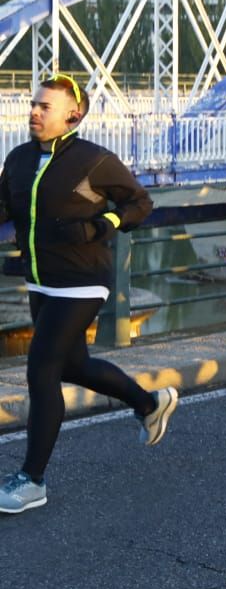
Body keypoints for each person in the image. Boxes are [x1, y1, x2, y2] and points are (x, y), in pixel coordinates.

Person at [0, 75, 176, 516]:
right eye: (33, 105)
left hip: (82, 281)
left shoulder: (94, 161)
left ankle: (32, 480)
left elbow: (140, 203)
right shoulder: (19, 160)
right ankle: (149, 403)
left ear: (72, 115)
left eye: (45, 106)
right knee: (74, 365)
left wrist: (106, 224)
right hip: (40, 280)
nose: (35, 112)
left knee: (41, 371)